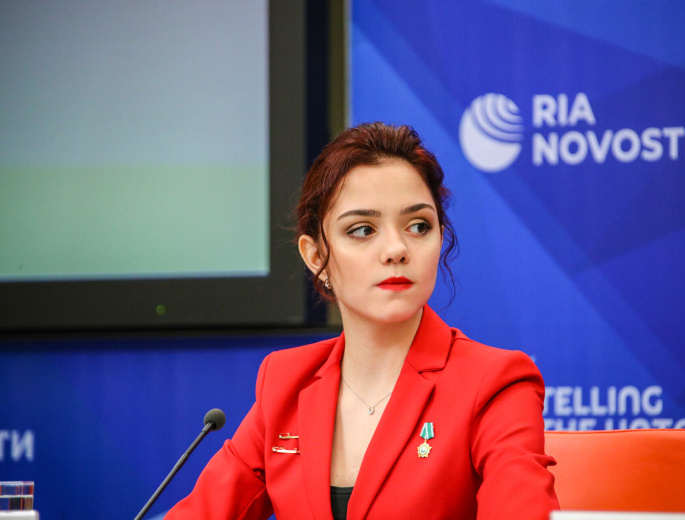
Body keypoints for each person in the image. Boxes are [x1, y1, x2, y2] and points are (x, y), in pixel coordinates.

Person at [164, 122, 559, 520]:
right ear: (316, 257)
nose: (396, 249)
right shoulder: (286, 382)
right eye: (363, 230)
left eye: (418, 226)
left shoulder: (494, 382)